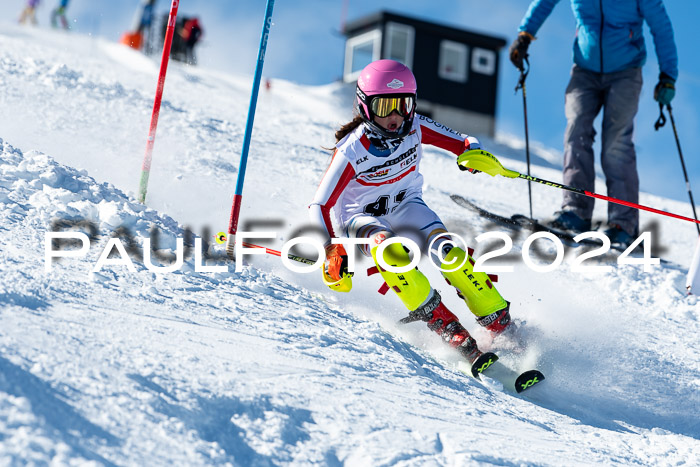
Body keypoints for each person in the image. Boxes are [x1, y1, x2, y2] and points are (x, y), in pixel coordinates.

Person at [309, 59, 513, 364]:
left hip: (406, 206)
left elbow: (464, 141)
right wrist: (331, 249)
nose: (394, 116)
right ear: (365, 107)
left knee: (452, 254)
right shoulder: (352, 149)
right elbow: (320, 204)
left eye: (402, 105)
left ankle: (500, 323)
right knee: (391, 253)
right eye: (384, 107)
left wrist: (473, 154)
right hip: (361, 217)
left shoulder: (415, 126)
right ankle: (443, 323)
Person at [509, 0, 678, 249]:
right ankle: (575, 212)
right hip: (584, 69)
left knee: (616, 144)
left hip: (626, 72)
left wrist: (668, 76)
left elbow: (661, 27)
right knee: (576, 132)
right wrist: (525, 35)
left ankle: (623, 225)